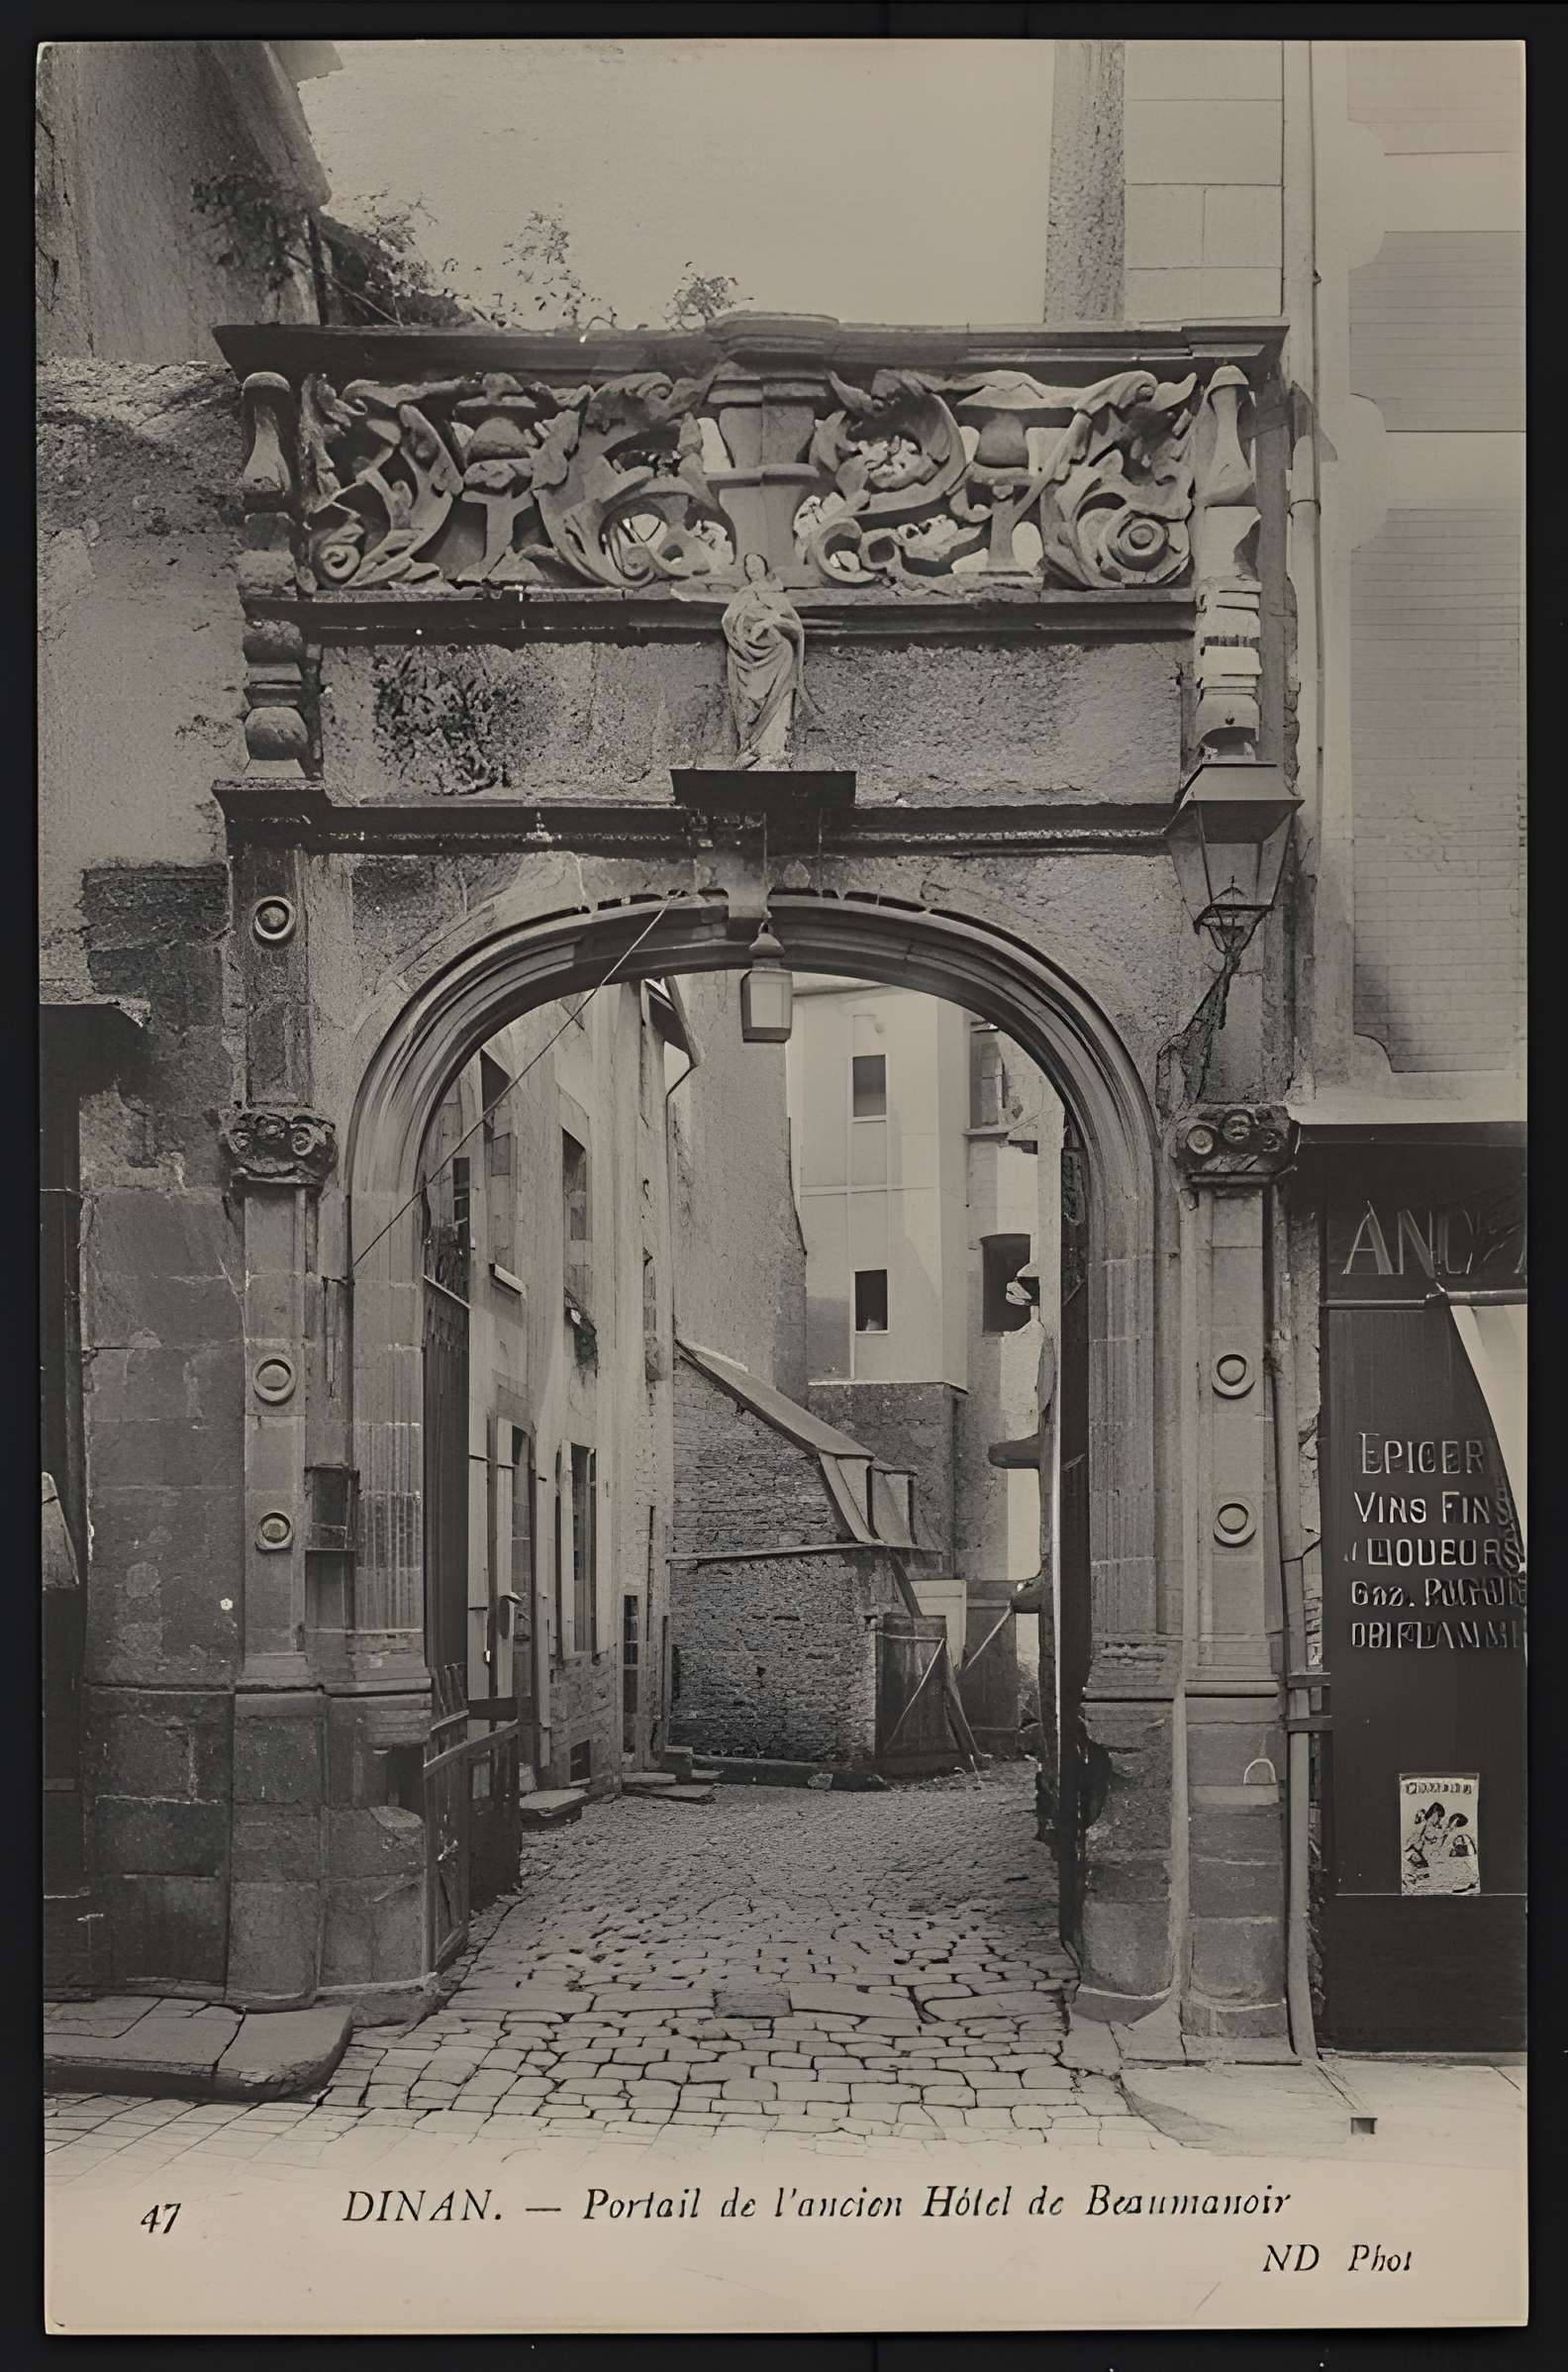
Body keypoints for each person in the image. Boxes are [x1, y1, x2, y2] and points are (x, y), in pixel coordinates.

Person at [721, 552, 810, 767]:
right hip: (747, 657)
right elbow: (728, 620)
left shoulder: (775, 593)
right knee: (748, 700)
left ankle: (774, 751)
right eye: (748, 564)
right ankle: (749, 747)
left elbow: (794, 625)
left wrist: (770, 621)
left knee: (778, 699)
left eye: (757, 563)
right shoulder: (743, 594)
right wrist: (743, 636)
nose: (752, 568)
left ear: (765, 566)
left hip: (779, 654)